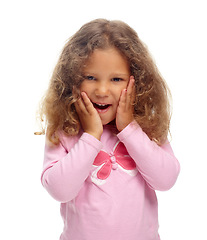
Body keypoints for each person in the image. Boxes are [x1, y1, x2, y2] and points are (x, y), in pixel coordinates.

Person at [39, 19, 180, 240]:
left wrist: (130, 129)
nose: (102, 90)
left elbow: (166, 180)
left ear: (137, 83)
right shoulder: (65, 128)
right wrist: (91, 136)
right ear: (72, 80)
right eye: (90, 77)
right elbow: (60, 190)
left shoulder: (146, 127)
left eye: (116, 79)